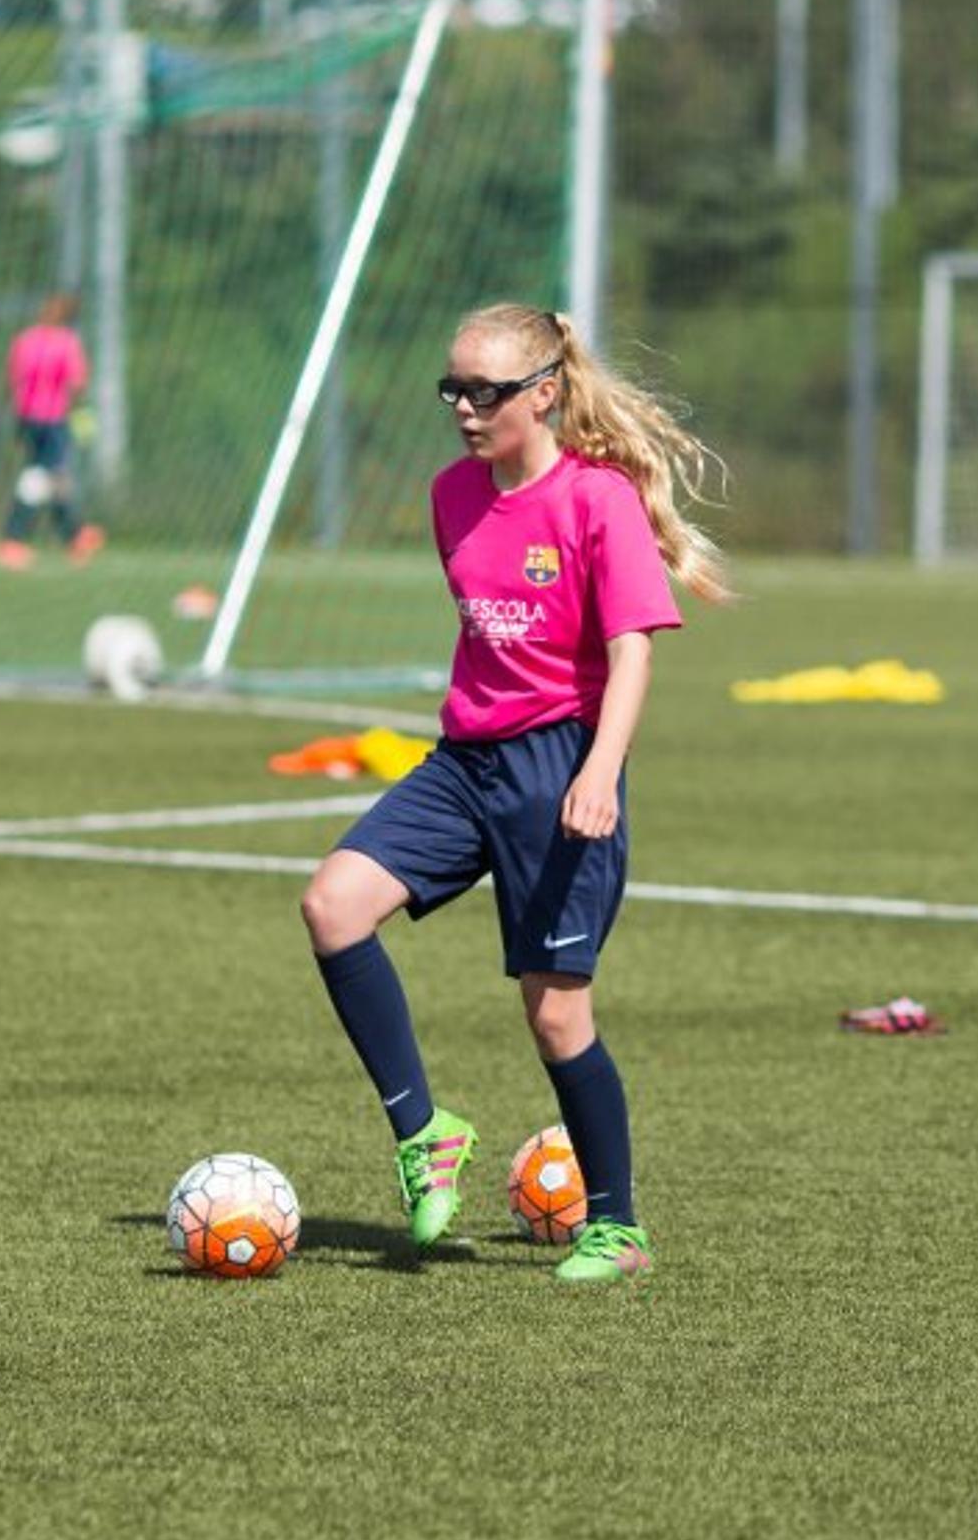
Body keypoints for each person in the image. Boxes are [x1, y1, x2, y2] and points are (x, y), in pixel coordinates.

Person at [296, 304, 726, 1284]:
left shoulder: (596, 500)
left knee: (556, 1018)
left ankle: (615, 1227)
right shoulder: (451, 494)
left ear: (542, 392)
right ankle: (423, 1130)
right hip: (464, 761)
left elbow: (629, 652)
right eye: (451, 389)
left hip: (558, 767)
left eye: (484, 392)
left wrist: (597, 772)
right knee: (332, 904)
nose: (462, 409)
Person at [0, 292, 104, 570]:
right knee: (41, 475)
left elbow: (12, 377)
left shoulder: (25, 340)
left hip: (27, 417)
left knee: (55, 475)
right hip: (54, 417)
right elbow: (78, 382)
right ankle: (13, 538)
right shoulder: (66, 343)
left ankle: (74, 533)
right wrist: (81, 413)